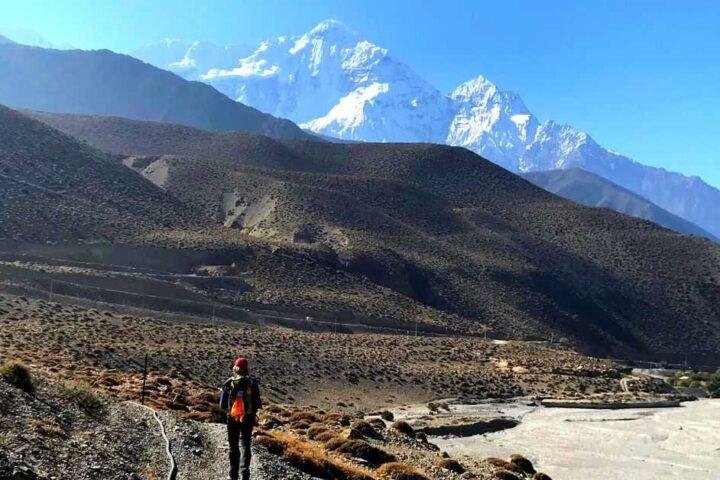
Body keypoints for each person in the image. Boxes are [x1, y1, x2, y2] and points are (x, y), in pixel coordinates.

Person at [219, 357, 262, 480]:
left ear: (235, 369)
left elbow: (222, 404)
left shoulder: (229, 382)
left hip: (232, 418)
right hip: (248, 418)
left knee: (233, 446)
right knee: (245, 444)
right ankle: (245, 473)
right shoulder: (253, 383)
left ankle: (233, 474)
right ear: (247, 369)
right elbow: (258, 403)